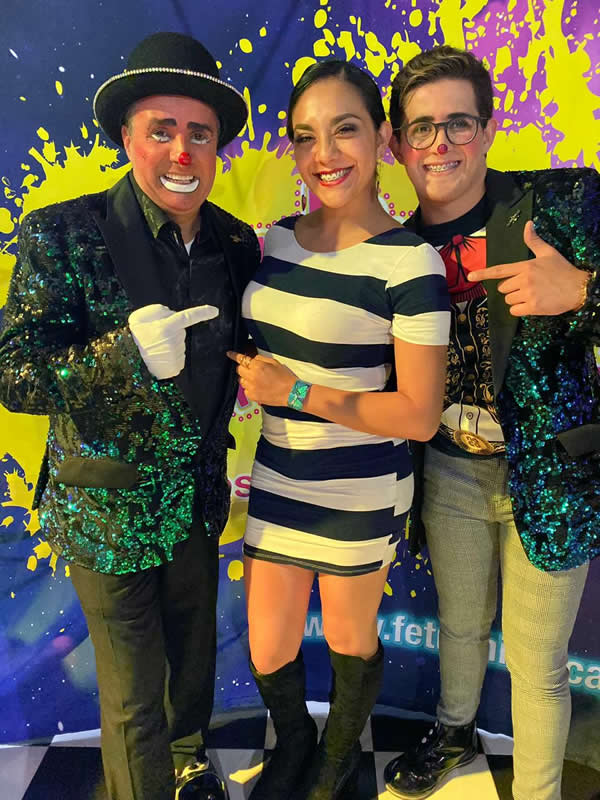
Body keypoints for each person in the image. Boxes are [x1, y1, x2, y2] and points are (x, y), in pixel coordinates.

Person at [0, 32, 260, 800]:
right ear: (126, 136)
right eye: (162, 129)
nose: (182, 151)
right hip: (104, 510)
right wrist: (119, 353)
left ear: (216, 147)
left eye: (199, 133)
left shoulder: (235, 241)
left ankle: (187, 768)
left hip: (197, 503)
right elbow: (14, 376)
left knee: (190, 677)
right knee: (134, 701)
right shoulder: (61, 231)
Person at [227, 59, 450, 800]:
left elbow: (418, 414)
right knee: (268, 646)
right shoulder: (277, 240)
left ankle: (336, 760)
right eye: (305, 136)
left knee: (351, 639)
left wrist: (295, 390)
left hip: (361, 486)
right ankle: (296, 744)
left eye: (345, 130)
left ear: (382, 137)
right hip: (281, 472)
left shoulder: (410, 261)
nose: (324, 154)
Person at [383, 45, 600, 800]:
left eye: (458, 123)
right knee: (460, 625)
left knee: (538, 663)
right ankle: (453, 733)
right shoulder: (395, 249)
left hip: (553, 478)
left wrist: (585, 291)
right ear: (396, 143)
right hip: (448, 471)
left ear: (488, 127)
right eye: (421, 128)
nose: (440, 144)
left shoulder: (562, 203)